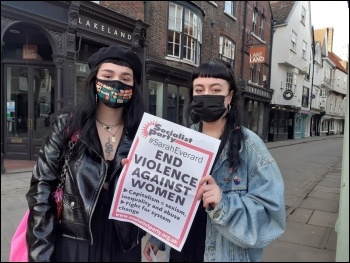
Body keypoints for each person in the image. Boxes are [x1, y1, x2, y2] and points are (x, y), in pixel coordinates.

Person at [143, 59, 286, 262]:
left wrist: (222, 202)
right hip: (183, 252)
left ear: (230, 96)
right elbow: (172, 197)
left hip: (224, 254)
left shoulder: (251, 146)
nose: (206, 95)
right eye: (199, 90)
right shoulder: (182, 139)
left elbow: (272, 214)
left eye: (215, 89)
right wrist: (158, 237)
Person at [26, 45, 146, 262]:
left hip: (123, 245)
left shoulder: (144, 133)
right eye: (108, 75)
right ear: (95, 79)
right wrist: (40, 252)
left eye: (125, 78)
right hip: (75, 241)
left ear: (134, 86)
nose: (116, 82)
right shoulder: (68, 125)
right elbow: (41, 188)